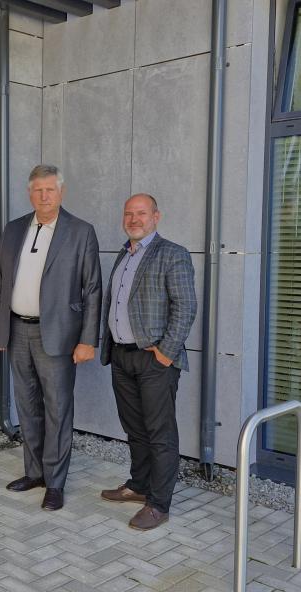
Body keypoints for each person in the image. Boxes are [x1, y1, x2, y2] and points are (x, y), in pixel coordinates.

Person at [0, 164, 101, 511]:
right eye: (38, 190)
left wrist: (88, 339)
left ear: (61, 193)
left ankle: (55, 483)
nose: (44, 196)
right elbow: (0, 282)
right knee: (27, 405)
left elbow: (93, 289)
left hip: (59, 335)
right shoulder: (14, 229)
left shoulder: (80, 231)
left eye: (50, 190)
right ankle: (34, 472)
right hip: (17, 330)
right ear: (29, 193)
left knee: (57, 409)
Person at [99, 193, 197, 530]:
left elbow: (185, 307)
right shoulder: (123, 255)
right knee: (135, 428)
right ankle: (139, 485)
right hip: (122, 356)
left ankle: (159, 503)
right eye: (128, 214)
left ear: (156, 216)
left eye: (141, 213)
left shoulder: (173, 254)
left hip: (155, 359)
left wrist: (166, 352)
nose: (134, 219)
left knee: (160, 433)